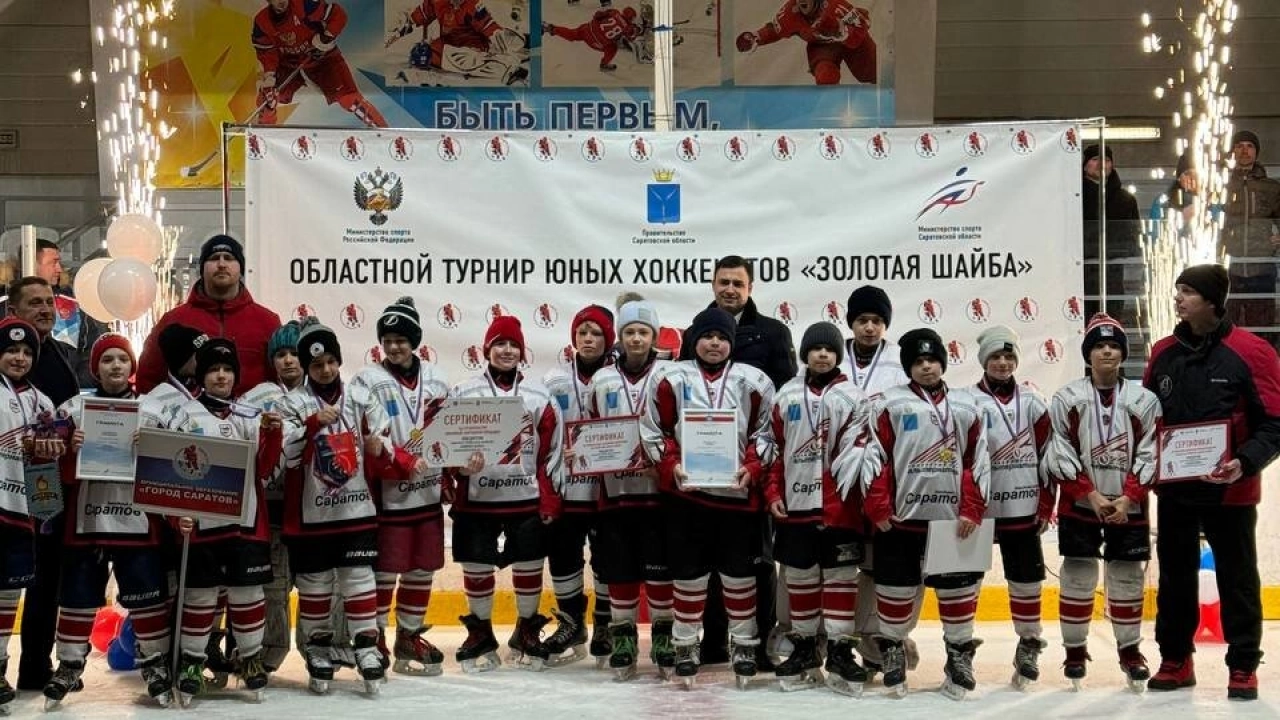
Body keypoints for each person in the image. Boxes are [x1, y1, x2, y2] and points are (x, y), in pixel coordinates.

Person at [1144, 265, 1280, 701]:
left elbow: (1274, 423)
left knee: (1238, 578)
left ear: (1212, 300)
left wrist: (1244, 462)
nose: (1178, 298)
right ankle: (1175, 658)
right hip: (1176, 489)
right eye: (1177, 290)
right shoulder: (1163, 352)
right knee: (1175, 577)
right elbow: (1146, 420)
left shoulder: (1252, 352)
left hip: (1231, 489)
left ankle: (1243, 664)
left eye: (1187, 291)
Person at [642, 307, 775, 688]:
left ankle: (745, 644)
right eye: (707, 336)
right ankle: (685, 644)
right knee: (688, 575)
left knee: (739, 576)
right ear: (693, 340)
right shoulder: (669, 378)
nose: (714, 343)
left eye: (722, 337)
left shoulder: (755, 381)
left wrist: (752, 466)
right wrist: (671, 466)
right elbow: (655, 429)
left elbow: (765, 434)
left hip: (737, 498)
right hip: (688, 499)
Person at [45, 334, 175, 709]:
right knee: (78, 596)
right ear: (95, 368)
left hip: (138, 521)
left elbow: (172, 467)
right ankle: (69, 665)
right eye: (107, 360)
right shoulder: (73, 409)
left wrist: (153, 448)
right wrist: (69, 451)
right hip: (88, 520)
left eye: (122, 358)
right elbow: (51, 467)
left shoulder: (153, 411)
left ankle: (155, 664)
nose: (115, 365)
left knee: (147, 596)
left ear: (132, 366)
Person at [277, 318, 405, 695]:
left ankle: (366, 645)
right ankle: (317, 647)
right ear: (306, 366)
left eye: (331, 361)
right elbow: (286, 455)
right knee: (315, 584)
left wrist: (379, 447)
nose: (326, 370)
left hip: (356, 511)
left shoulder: (361, 397)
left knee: (358, 577)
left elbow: (383, 439)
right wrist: (311, 424)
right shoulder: (293, 402)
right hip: (310, 515)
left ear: (339, 361)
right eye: (317, 364)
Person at [680, 255, 795, 668]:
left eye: (738, 283)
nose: (730, 289)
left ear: (750, 288)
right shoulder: (696, 328)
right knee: (710, 560)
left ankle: (758, 643)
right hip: (701, 469)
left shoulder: (773, 332)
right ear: (713, 284)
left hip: (751, 469)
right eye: (724, 282)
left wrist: (761, 461)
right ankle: (713, 642)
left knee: (756, 560)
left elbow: (784, 400)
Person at [863, 328, 988, 700]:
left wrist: (972, 510)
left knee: (958, 591)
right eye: (918, 362)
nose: (926, 367)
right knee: (895, 588)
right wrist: (879, 508)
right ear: (908, 368)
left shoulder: (967, 406)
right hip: (901, 519)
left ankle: (959, 654)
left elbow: (977, 461)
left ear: (942, 363)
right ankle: (893, 650)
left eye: (932, 359)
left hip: (953, 522)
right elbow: (876, 458)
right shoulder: (890, 404)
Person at [1043, 313, 1160, 693]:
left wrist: (1129, 498)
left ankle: (1130, 651)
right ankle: (1075, 651)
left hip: (1129, 506)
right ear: (1088, 354)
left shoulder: (1144, 400)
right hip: (1081, 505)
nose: (1107, 351)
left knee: (1126, 576)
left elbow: (1151, 452)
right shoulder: (1067, 398)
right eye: (1099, 345)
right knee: (1078, 574)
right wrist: (1088, 494)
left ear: (1123, 353)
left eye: (1113, 345)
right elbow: (1059, 450)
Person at [170, 338, 284, 706]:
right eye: (213, 370)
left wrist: (273, 434)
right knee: (200, 596)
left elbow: (263, 470)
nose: (221, 376)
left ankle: (249, 658)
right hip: (201, 527)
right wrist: (175, 517)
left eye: (227, 369)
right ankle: (192, 661)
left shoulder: (250, 416)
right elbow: (170, 475)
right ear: (202, 375)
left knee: (247, 594)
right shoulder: (184, 416)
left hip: (246, 524)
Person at [446, 316, 562, 672]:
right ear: (487, 350)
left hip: (524, 499)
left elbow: (551, 452)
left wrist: (549, 499)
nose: (507, 350)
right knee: (477, 565)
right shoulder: (464, 393)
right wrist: (458, 468)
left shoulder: (539, 396)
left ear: (522, 352)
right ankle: (480, 631)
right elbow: (443, 446)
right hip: (476, 501)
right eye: (499, 343)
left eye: (513, 344)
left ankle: (526, 628)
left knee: (529, 564)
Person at [766, 322, 872, 696]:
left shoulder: (854, 397)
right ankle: (805, 648)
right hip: (796, 507)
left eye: (829, 349)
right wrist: (773, 492)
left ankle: (841, 649)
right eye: (815, 349)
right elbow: (772, 449)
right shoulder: (786, 396)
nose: (822, 355)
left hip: (840, 510)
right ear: (805, 354)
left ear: (837, 356)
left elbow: (860, 454)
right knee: (800, 577)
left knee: (841, 578)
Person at [349, 298, 450, 676]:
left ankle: (408, 634)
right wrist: (401, 460)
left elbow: (449, 430)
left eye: (401, 340)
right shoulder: (367, 380)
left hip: (427, 490)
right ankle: (375, 634)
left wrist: (456, 468)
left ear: (415, 342)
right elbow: (367, 434)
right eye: (388, 340)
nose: (394, 347)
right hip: (387, 492)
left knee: (422, 567)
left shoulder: (437, 379)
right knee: (385, 570)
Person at [587, 301, 675, 680]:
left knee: (660, 571)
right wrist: (582, 452)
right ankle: (623, 638)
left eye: (643, 331)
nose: (636, 338)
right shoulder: (602, 379)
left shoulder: (670, 375)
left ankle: (663, 636)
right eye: (629, 332)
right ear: (619, 337)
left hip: (659, 496)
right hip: (615, 495)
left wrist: (665, 462)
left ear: (653, 336)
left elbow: (679, 427)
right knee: (620, 571)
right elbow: (591, 426)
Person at [5, 277, 78, 690]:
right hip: (6, 478)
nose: (46, 309)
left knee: (47, 573)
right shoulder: (4, 354)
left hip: (46, 478)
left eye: (49, 301)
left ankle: (34, 665)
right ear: (12, 311)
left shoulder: (61, 354)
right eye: (35, 302)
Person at [970, 326, 1054, 688]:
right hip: (979, 510)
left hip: (1023, 504)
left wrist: (1046, 505)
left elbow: (1049, 455)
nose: (1003, 363)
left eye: (1008, 356)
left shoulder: (1033, 402)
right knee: (966, 581)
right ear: (983, 361)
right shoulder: (968, 402)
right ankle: (959, 647)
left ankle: (1029, 643)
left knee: (1026, 579)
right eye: (995, 357)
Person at [840, 284, 912, 675]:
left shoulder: (900, 362)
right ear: (851, 323)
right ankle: (840, 641)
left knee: (879, 564)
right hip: (840, 477)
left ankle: (879, 642)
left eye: (877, 321)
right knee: (842, 566)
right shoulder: (832, 357)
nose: (870, 328)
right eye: (862, 320)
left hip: (885, 476)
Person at [542, 305, 614, 666]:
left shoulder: (617, 378)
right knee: (563, 555)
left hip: (606, 488)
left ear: (608, 339)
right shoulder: (553, 381)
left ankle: (604, 623)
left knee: (607, 558)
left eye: (596, 333)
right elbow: (543, 433)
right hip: (567, 487)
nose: (588, 339)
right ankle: (571, 624)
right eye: (582, 332)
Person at [0, 318, 64, 712]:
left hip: (22, 511)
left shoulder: (43, 402)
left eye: (26, 352)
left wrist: (53, 447)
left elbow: (50, 460)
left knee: (9, 592)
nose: (19, 358)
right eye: (11, 350)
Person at [137, 235, 281, 397]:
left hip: (252, 412)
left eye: (229, 258)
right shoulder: (172, 321)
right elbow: (148, 379)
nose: (221, 264)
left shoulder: (268, 322)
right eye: (214, 258)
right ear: (202, 269)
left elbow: (282, 381)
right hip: (187, 412)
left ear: (241, 268)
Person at [252, 0, 387, 127]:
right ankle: (263, 137)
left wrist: (326, 37)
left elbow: (338, 15)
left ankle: (384, 132)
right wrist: (269, 76)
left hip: (323, 59)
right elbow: (266, 52)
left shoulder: (304, 4)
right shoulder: (261, 22)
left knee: (350, 99)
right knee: (266, 97)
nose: (281, 1)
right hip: (289, 64)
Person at [0, 240, 104, 387]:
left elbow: (91, 353)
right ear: (33, 263)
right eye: (53, 262)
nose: (59, 269)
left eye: (49, 302)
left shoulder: (73, 306)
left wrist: (75, 385)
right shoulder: (4, 305)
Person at [385, 0, 530, 86]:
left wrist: (500, 40)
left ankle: (507, 68)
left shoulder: (472, 5)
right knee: (423, 55)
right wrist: (405, 23)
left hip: (471, 48)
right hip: (447, 44)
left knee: (457, 57)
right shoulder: (436, 1)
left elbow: (490, 27)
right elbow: (419, 16)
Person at [1218, 130, 1280, 333]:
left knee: (1261, 329)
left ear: (1256, 152)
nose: (1244, 150)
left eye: (1250, 146)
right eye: (1239, 146)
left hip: (1261, 268)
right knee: (1226, 330)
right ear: (1232, 151)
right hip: (1227, 269)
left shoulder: (1271, 187)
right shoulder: (1220, 185)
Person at [735, 0, 877, 85]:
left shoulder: (836, 5)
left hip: (854, 40)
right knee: (826, 75)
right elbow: (775, 29)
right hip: (821, 46)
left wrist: (842, 31)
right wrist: (756, 37)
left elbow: (863, 25)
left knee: (873, 73)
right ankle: (831, 109)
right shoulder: (789, 13)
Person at [1081, 144, 1141, 319]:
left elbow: (1134, 234)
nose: (1101, 164)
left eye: (1106, 160)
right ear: (1085, 165)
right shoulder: (1074, 196)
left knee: (1111, 318)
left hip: (1113, 272)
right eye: (1095, 159)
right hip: (1080, 270)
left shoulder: (1126, 199)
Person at [543, 6, 646, 71]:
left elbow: (597, 15)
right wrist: (638, 29)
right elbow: (632, 38)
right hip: (596, 43)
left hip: (587, 30)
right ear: (631, 18)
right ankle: (604, 64)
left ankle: (552, 28)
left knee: (572, 34)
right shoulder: (628, 27)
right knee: (613, 47)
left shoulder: (614, 12)